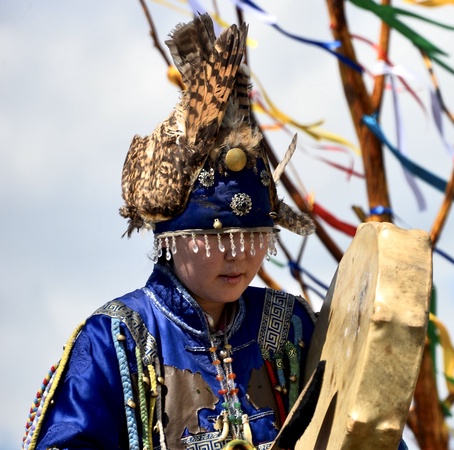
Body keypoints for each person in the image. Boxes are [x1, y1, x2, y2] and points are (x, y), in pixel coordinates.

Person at [22, 14, 317, 450]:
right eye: (218, 240)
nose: (237, 257)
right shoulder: (114, 340)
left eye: (251, 238)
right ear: (169, 239)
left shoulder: (291, 326)